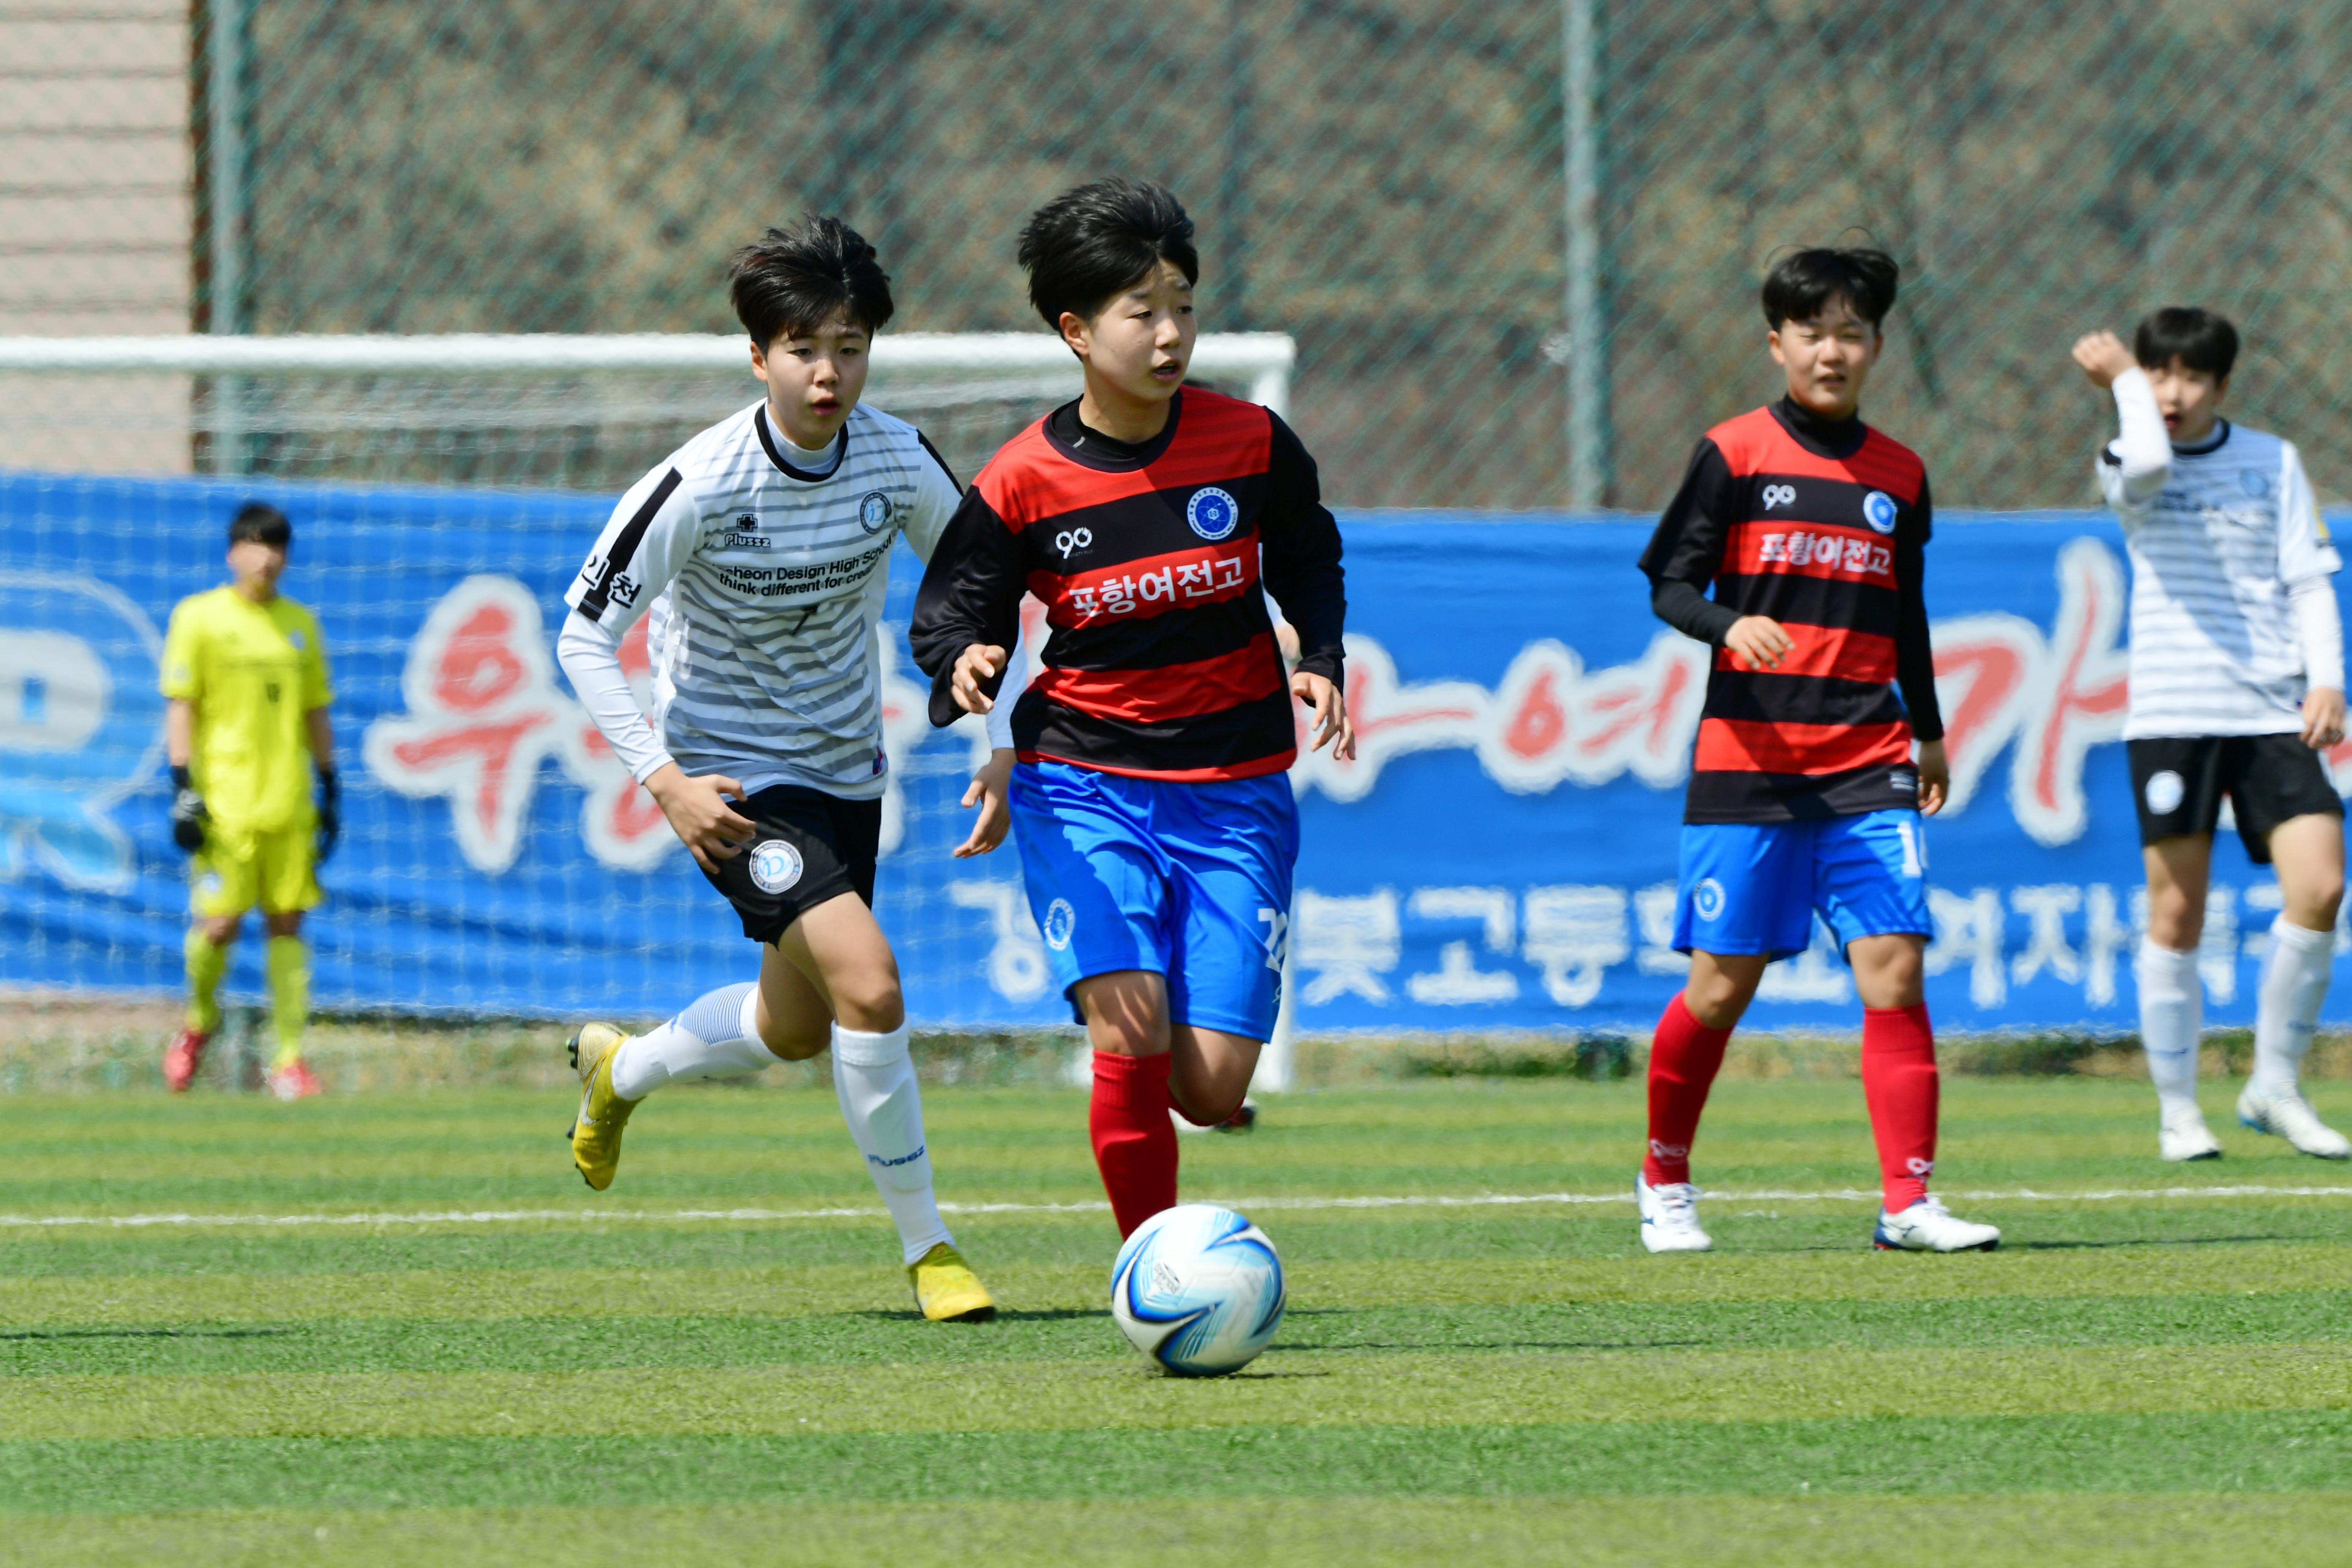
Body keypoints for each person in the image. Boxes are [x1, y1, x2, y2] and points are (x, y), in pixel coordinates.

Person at [556, 215, 1000, 1321]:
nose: (828, 372)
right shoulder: (697, 485)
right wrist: (666, 781)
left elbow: (980, 584)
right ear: (760, 356)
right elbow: (579, 637)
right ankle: (930, 1249)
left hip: (849, 772)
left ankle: (622, 1072)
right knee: (873, 982)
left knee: (797, 1027)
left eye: (849, 347)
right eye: (804, 348)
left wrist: (995, 738)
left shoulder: (896, 458)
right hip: (734, 785)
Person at [909, 178, 1352, 1239]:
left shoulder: (1252, 442)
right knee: (1130, 1023)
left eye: (1184, 306)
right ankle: (1150, 1271)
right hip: (1082, 780)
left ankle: (1189, 1116)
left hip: (1237, 784)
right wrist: (966, 660)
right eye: (1141, 312)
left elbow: (1308, 553)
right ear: (1076, 329)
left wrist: (1322, 653)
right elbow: (956, 609)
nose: (1171, 334)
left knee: (1205, 1088)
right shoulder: (1020, 480)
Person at [1633, 245, 2001, 1255]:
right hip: (1749, 758)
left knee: (1893, 965)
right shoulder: (1737, 452)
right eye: (1812, 332)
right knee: (1720, 985)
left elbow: (1908, 614)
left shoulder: (1899, 475)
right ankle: (1664, 1174)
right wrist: (1723, 625)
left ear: (1877, 344)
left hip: (1869, 755)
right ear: (1777, 342)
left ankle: (1908, 1201)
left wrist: (1927, 729)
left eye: (1852, 333)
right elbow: (1670, 585)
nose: (1831, 351)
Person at [2072, 310, 2349, 1162]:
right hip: (2173, 712)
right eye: (2161, 372)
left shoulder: (2273, 459)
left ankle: (2273, 1082)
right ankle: (2178, 1109)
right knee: (2178, 910)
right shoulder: (2128, 453)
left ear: (2223, 387)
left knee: (2322, 885)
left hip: (2272, 710)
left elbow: (2308, 577)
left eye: (2194, 377)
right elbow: (2151, 457)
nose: (2174, 392)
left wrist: (2328, 676)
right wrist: (2126, 385)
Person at [161, 501, 338, 1100]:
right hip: (224, 804)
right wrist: (182, 786)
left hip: (288, 802)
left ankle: (289, 1059)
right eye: (256, 544)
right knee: (218, 926)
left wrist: (330, 784)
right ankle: (200, 1019)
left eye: (278, 546)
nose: (267, 557)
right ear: (233, 552)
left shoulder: (300, 625)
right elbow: (181, 704)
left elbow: (316, 710)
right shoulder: (200, 618)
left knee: (288, 923)